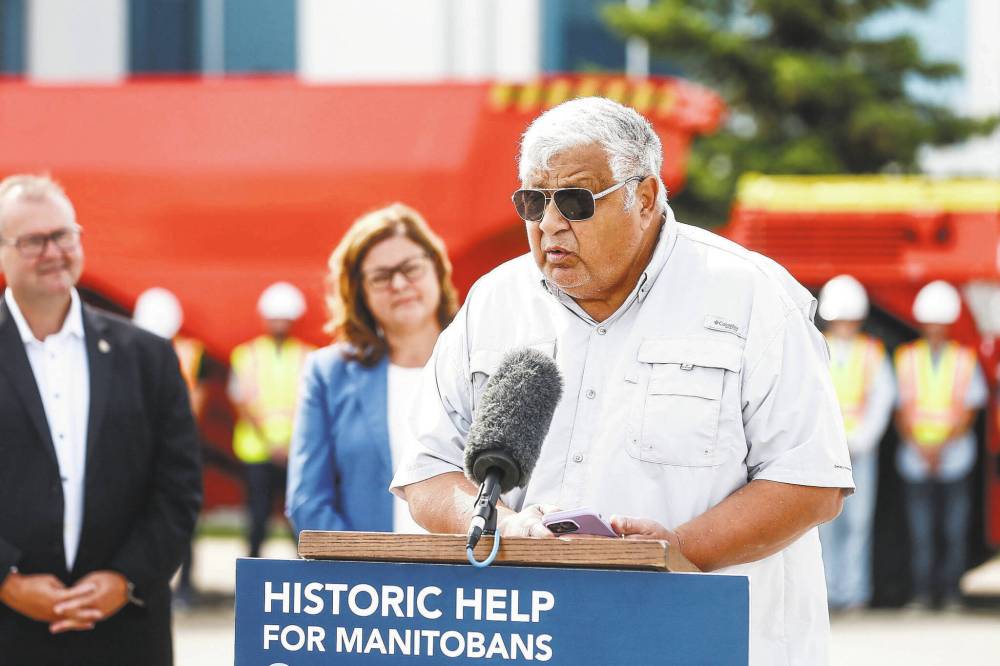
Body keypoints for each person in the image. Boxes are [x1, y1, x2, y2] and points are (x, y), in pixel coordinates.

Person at [389, 97, 852, 665]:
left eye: (576, 202)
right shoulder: (494, 302)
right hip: (541, 641)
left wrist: (679, 550)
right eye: (533, 202)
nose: (550, 224)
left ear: (646, 197)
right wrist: (502, 527)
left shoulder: (752, 297)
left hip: (712, 642)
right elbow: (427, 471)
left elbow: (811, 481)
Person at [0, 174, 202, 664]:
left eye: (64, 234)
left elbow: (178, 487)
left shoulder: (148, 356)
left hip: (125, 630)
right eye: (33, 240)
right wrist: (6, 581)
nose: (54, 251)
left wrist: (125, 578)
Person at [286, 203, 459, 534]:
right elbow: (308, 502)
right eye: (381, 277)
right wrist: (361, 571)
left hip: (473, 579)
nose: (399, 284)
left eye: (411, 268)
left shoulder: (484, 361)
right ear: (360, 292)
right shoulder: (327, 374)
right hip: (368, 581)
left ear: (436, 268)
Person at [894, 280, 986, 610]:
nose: (934, 329)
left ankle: (950, 594)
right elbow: (901, 409)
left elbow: (970, 410)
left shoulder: (963, 359)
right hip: (918, 457)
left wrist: (938, 448)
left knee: (953, 531)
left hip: (952, 457)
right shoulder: (908, 358)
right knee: (921, 534)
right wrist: (923, 448)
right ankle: (923, 594)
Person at [816, 275, 895, 611]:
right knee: (825, 525)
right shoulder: (816, 346)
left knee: (858, 524)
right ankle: (829, 592)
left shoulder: (871, 353)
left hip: (860, 450)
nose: (845, 325)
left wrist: (862, 438)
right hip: (825, 451)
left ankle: (854, 594)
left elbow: (882, 398)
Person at [133, 286, 209, 607]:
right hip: (138, 449)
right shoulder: (126, 350)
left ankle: (184, 585)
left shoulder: (190, 352)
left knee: (179, 517)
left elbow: (197, 402)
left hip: (176, 448)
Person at [229, 282, 313, 557]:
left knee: (298, 521)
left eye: (284, 318)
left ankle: (307, 575)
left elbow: (312, 407)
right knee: (257, 520)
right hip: (257, 452)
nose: (279, 323)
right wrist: (271, 444)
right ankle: (251, 577)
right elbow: (240, 401)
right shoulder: (245, 355)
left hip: (296, 452)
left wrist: (289, 445)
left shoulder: (309, 356)